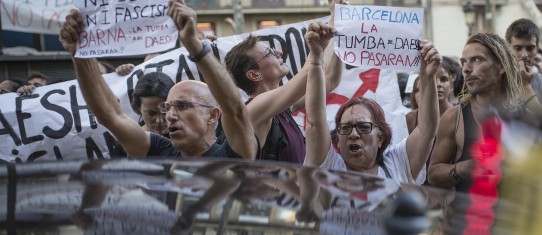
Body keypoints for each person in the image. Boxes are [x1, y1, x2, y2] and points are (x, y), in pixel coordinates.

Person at [58, 3, 258, 159]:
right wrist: (80, 52)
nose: (170, 115)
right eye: (168, 107)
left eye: (182, 105)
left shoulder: (235, 155)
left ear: (213, 115)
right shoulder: (157, 151)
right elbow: (110, 114)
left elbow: (235, 109)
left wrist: (193, 44)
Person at [303, 22, 441, 184]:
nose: (353, 134)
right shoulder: (328, 166)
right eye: (345, 128)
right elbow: (314, 122)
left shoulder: (398, 165)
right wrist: (316, 59)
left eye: (363, 127)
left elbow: (427, 130)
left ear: (380, 137)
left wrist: (427, 76)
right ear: (337, 140)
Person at [223, 0, 346, 164]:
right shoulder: (253, 110)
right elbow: (310, 73)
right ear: (254, 75)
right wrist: (320, 45)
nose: (279, 52)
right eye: (269, 53)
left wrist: (337, 22)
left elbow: (329, 79)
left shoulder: (283, 109)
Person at [428, 33, 526, 191]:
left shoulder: (524, 117)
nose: (466, 69)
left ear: (500, 66)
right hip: (466, 214)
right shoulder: (454, 117)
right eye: (463, 62)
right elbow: (433, 175)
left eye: (476, 60)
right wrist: (463, 168)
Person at [110, 72, 175, 157]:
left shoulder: (185, 139)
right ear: (138, 108)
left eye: (165, 111)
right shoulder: (125, 145)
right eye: (151, 113)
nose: (159, 120)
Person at [405, 59, 454, 134]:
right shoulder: (411, 118)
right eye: (432, 79)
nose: (438, 84)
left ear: (451, 86)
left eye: (444, 79)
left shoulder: (461, 115)